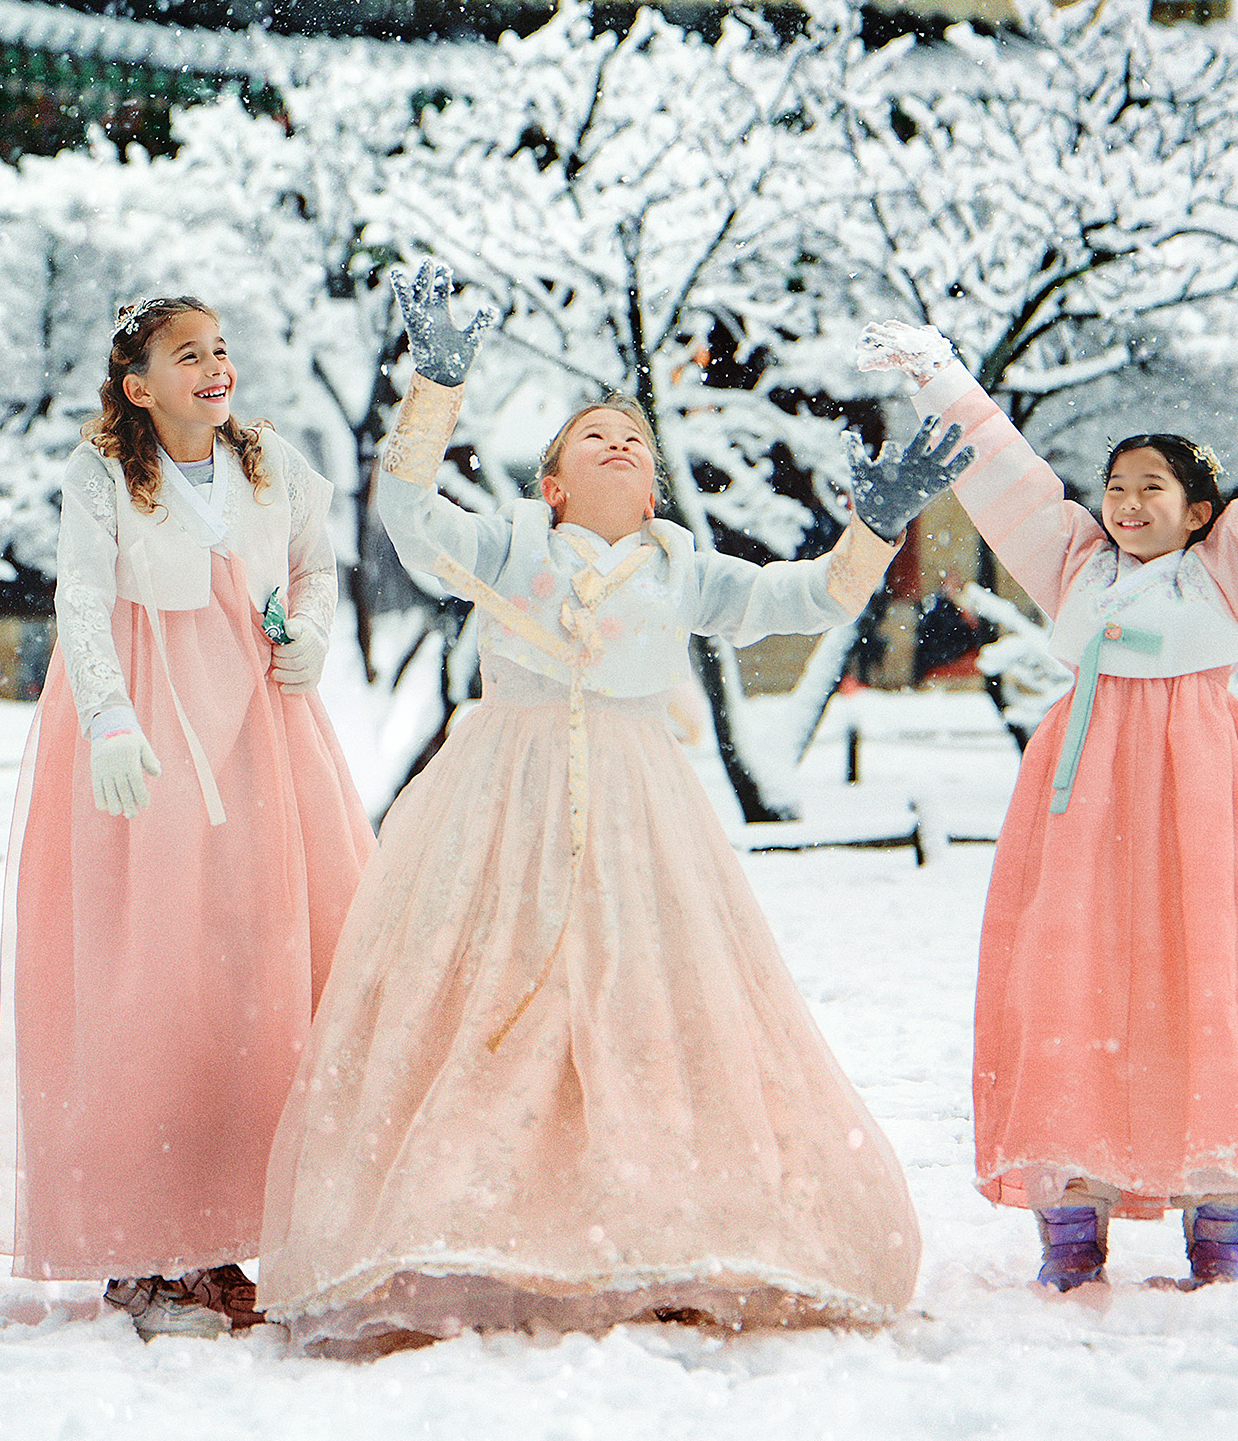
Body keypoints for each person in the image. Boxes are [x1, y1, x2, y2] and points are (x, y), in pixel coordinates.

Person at [257, 263, 966, 1352]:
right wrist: (434, 390)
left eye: (633, 441)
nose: (621, 445)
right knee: (491, 997)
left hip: (643, 812)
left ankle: (661, 1220)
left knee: (646, 1004)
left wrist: (868, 534)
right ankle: (467, 1218)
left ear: (654, 492)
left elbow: (809, 597)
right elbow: (405, 516)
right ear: (551, 483)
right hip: (504, 797)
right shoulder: (508, 544)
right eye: (594, 436)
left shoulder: (681, 566)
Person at [863, 317, 1238, 1292]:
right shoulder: (1074, 564)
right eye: (1116, 486)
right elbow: (1006, 474)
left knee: (1213, 978)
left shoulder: (1230, 570)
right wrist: (938, 375)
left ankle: (1219, 1222)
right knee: (1067, 980)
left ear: (1202, 510)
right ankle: (1070, 1224)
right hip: (1081, 797)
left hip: (1201, 794)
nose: (1126, 502)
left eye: (1151, 487)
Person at [0, 296, 373, 1338]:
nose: (214, 367)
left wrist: (314, 638)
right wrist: (108, 717)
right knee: (157, 971)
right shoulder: (102, 473)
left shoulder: (268, 460)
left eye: (221, 349)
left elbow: (313, 564)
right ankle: (146, 1243)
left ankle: (234, 1227)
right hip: (152, 725)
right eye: (186, 353)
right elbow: (79, 595)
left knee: (262, 965)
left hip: (258, 721)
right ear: (138, 382)